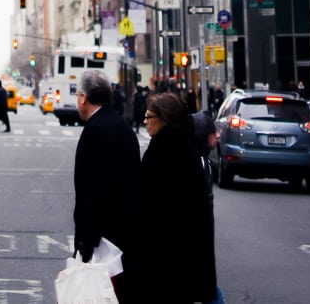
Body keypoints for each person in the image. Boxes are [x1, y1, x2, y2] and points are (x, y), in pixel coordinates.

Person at [141, 91, 219, 304]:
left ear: (165, 119)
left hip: (165, 250)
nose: (145, 122)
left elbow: (149, 203)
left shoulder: (161, 152)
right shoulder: (188, 147)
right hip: (188, 250)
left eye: (150, 117)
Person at [73, 71, 140, 298]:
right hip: (125, 233)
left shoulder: (95, 131)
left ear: (83, 98)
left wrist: (86, 239)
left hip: (104, 241)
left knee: (99, 295)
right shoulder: (122, 126)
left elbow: (91, 190)